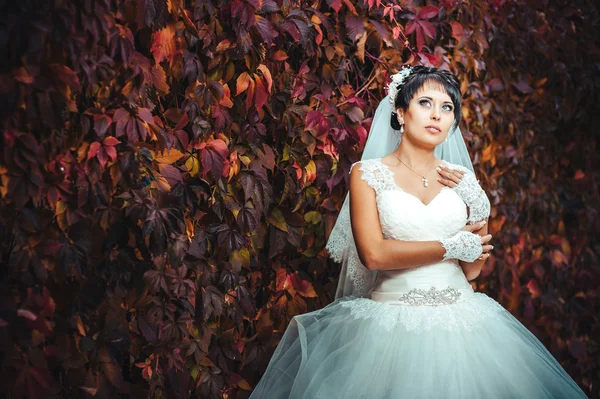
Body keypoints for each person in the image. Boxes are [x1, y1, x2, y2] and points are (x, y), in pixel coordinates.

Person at [249, 66, 588, 398]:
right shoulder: (367, 174)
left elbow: (472, 269)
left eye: (447, 108)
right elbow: (374, 255)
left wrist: (480, 207)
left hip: (466, 323)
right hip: (391, 325)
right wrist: (449, 246)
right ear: (400, 112)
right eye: (425, 103)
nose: (436, 115)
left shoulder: (460, 178)